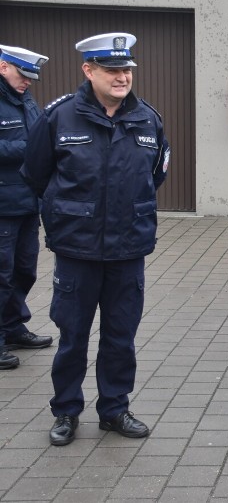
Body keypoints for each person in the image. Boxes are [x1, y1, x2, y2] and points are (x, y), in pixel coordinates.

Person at [21, 32, 170, 446]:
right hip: (77, 250)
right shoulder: (59, 117)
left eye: (126, 70)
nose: (122, 77)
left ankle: (115, 410)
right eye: (112, 69)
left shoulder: (147, 119)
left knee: (121, 336)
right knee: (73, 338)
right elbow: (36, 174)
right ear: (89, 70)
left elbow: (156, 173)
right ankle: (66, 411)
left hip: (128, 250)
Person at [0, 45, 54, 370]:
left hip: (27, 204)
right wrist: (30, 147)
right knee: (1, 275)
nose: (29, 82)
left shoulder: (25, 99)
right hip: (3, 206)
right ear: (3, 66)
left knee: (24, 271)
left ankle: (13, 327)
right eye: (23, 74)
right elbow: (28, 144)